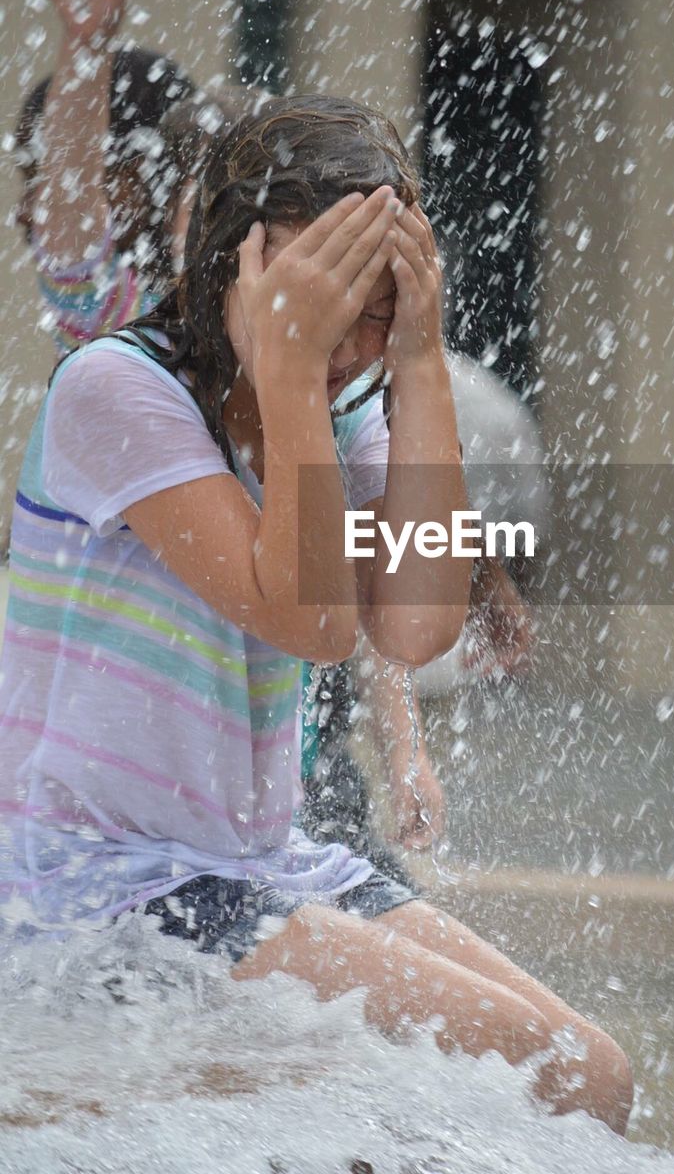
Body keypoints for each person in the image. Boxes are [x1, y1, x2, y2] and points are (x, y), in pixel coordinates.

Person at [0, 92, 632, 1132]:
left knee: (586, 1074)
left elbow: (415, 627)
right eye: (311, 290)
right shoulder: (114, 389)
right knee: (522, 1059)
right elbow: (316, 623)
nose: (340, 336)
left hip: (253, 864)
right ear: (226, 270)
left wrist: (418, 359)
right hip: (100, 883)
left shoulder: (343, 407)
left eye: (370, 299)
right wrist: (291, 378)